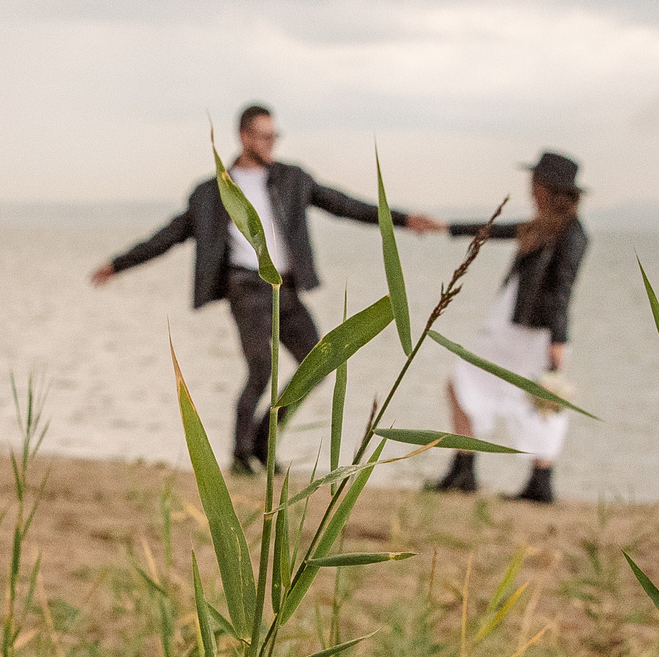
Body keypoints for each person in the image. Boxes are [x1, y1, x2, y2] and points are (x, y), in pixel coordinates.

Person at [92, 105, 442, 474]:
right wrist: (118, 264)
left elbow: (344, 205)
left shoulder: (293, 179)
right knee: (261, 369)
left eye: (276, 135)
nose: (272, 142)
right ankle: (241, 455)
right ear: (245, 137)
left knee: (319, 360)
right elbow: (169, 235)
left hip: (286, 289)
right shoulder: (213, 192)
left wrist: (402, 220)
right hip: (246, 287)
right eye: (265, 135)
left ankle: (263, 440)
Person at [427, 151, 588, 504]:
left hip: (535, 331)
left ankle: (535, 480)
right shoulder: (541, 225)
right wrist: (444, 227)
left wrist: (558, 340)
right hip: (512, 325)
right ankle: (468, 467)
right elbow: (493, 229)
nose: (530, 189)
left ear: (548, 189)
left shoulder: (571, 233)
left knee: (542, 399)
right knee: (464, 382)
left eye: (535, 183)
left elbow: (563, 288)